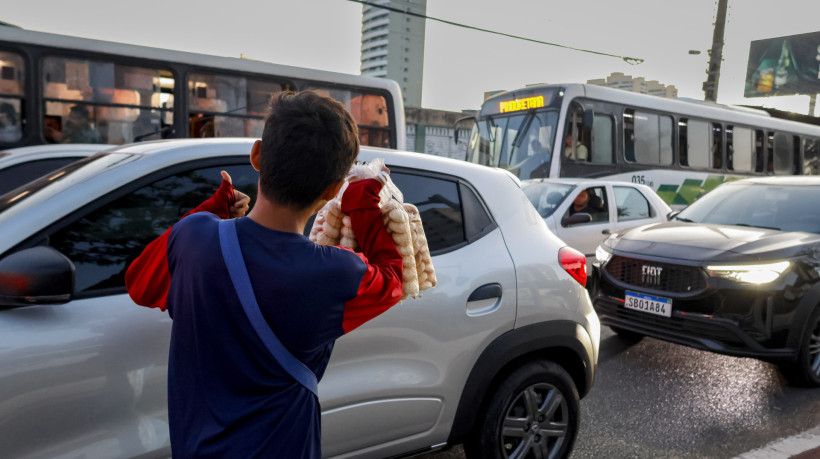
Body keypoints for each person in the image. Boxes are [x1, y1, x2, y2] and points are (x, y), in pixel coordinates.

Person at [125, 91, 404, 458]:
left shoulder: (193, 238)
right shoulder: (335, 273)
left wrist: (215, 208)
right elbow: (393, 280)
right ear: (335, 188)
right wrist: (363, 202)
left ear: (257, 155)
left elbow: (140, 286)